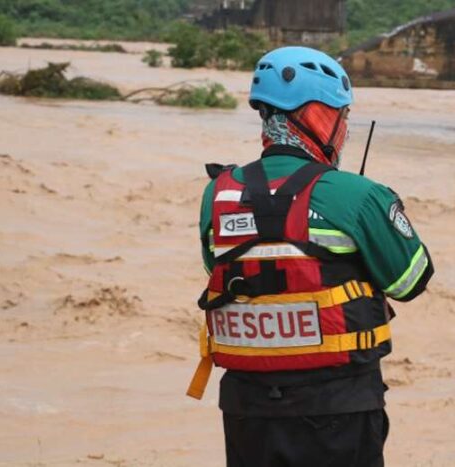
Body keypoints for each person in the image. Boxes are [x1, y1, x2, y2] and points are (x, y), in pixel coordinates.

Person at [186, 46, 434, 467]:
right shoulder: (358, 196)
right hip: (339, 410)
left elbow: (219, 270)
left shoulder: (218, 194)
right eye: (343, 117)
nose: (345, 130)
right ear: (319, 115)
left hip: (246, 411)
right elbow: (411, 281)